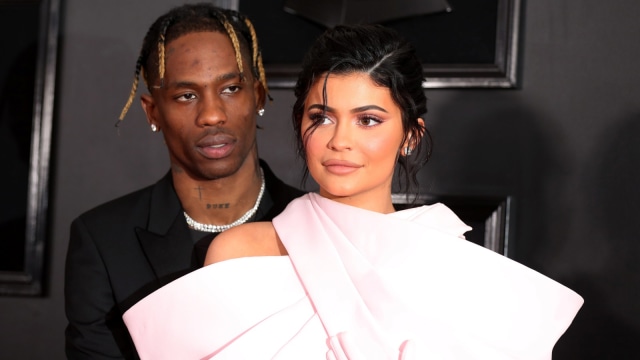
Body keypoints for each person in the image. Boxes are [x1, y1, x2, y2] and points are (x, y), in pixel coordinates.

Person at [121, 24, 584, 359]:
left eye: (368, 120)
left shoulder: (450, 265)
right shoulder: (238, 252)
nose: (339, 140)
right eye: (321, 117)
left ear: (410, 137)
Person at [64, 4, 304, 359]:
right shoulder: (103, 241)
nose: (212, 115)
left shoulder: (314, 226)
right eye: (186, 96)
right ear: (153, 112)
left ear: (257, 94)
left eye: (231, 88)